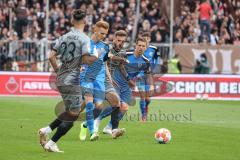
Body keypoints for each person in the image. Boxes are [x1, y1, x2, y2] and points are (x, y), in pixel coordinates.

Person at [38, 9, 96, 153]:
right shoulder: (84, 39)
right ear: (85, 21)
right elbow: (86, 59)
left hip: (61, 78)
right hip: (72, 80)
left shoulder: (63, 37)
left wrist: (58, 70)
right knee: (74, 115)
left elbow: (51, 56)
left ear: (72, 21)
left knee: (70, 111)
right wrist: (98, 56)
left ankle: (46, 130)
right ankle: (51, 143)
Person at [100, 37, 153, 134]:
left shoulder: (146, 62)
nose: (141, 47)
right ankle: (96, 119)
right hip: (115, 82)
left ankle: (108, 127)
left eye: (143, 46)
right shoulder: (126, 54)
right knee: (116, 104)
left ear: (146, 48)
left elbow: (148, 75)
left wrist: (150, 86)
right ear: (135, 46)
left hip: (126, 87)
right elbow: (109, 61)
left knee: (124, 108)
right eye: (139, 45)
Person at [136, 32, 159, 121]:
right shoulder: (139, 49)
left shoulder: (154, 49)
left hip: (149, 75)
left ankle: (145, 108)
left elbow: (156, 59)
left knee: (148, 99)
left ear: (149, 39)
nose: (146, 39)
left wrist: (154, 69)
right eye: (144, 37)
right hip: (140, 75)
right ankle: (144, 116)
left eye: (147, 37)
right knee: (142, 96)